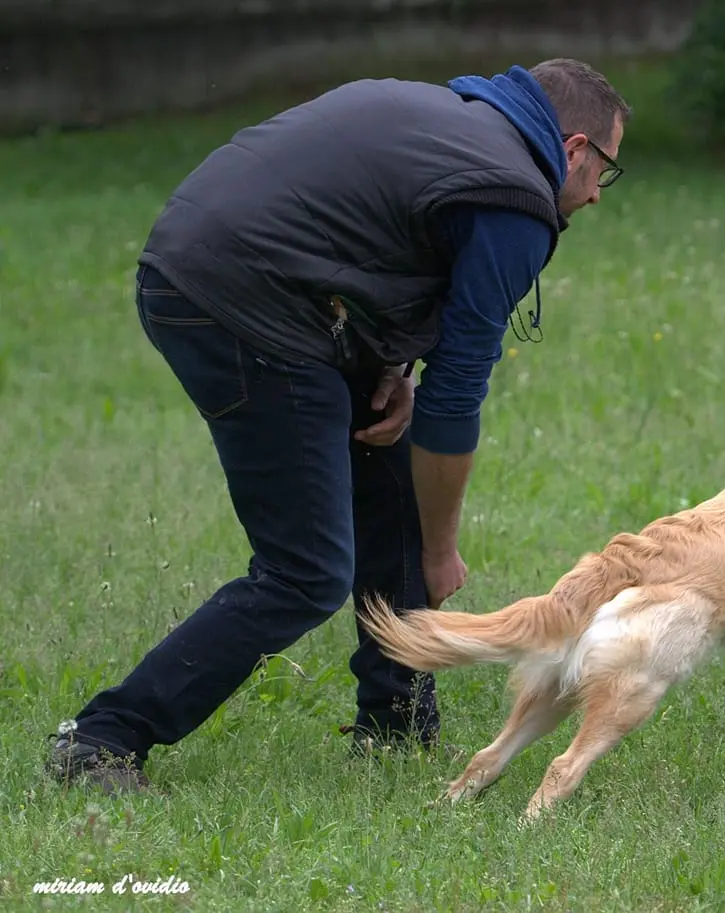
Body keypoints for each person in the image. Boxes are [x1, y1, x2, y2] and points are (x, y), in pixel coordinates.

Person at [45, 58, 631, 794]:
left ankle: (396, 724)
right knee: (306, 571)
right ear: (574, 148)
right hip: (242, 306)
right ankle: (101, 739)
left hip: (221, 273)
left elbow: (367, 235)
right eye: (602, 172)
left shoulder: (456, 121)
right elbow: (455, 402)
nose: (593, 198)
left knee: (388, 488)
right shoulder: (513, 196)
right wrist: (442, 550)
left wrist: (387, 363)